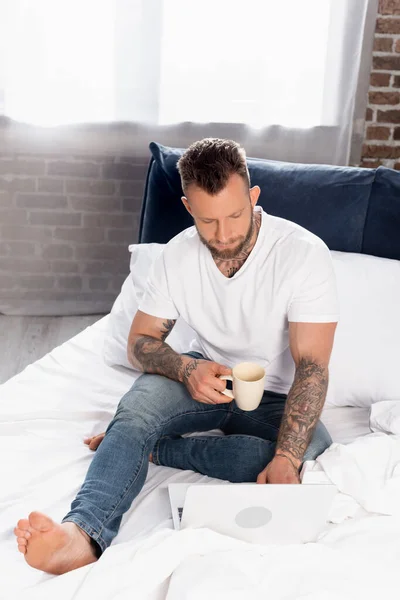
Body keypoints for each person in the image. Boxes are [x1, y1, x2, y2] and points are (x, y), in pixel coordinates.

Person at [14, 138, 339, 575]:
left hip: (272, 396)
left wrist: (286, 457)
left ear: (253, 196)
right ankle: (82, 534)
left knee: (312, 447)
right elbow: (141, 341)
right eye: (208, 221)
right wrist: (186, 369)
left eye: (235, 215)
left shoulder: (303, 254)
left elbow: (313, 368)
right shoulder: (177, 255)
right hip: (198, 377)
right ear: (188, 207)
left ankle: (159, 452)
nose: (224, 235)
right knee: (134, 414)